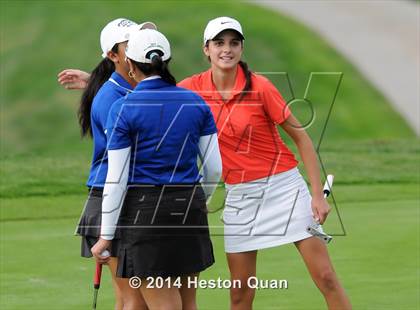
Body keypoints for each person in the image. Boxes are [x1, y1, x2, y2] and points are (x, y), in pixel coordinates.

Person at [176, 16, 352, 310]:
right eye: (219, 43)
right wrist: (95, 82)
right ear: (206, 49)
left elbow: (302, 140)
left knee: (326, 277)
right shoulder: (191, 88)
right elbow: (147, 92)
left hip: (285, 189)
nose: (227, 49)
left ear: (242, 48)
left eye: (234, 43)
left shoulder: (260, 86)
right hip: (240, 197)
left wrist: (316, 195)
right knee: (240, 294)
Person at [90, 29, 222, 310]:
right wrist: (202, 199)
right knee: (188, 303)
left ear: (130, 64)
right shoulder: (195, 101)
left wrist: (105, 236)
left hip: (146, 212)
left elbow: (116, 179)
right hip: (190, 206)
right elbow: (214, 169)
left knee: (165, 305)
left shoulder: (123, 108)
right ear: (167, 60)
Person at [61, 18, 156, 310]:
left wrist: (92, 81)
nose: (141, 49)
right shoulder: (111, 99)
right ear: (114, 55)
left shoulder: (129, 88)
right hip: (110, 200)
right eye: (131, 45)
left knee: (129, 297)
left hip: (123, 198)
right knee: (134, 298)